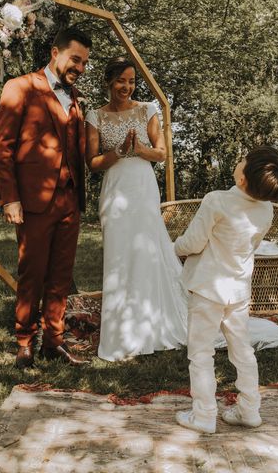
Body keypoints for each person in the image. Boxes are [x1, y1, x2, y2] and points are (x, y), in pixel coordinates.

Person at [173, 146, 278, 433]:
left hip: (207, 288)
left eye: (244, 159)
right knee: (242, 350)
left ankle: (203, 415)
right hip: (238, 289)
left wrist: (174, 247)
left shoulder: (216, 201)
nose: (239, 160)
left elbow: (193, 242)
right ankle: (249, 409)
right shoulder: (266, 210)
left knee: (201, 352)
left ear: (242, 178)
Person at [0, 28, 92, 369]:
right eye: (75, 59)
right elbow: (2, 149)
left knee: (61, 275)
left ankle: (54, 341)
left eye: (84, 63)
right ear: (55, 52)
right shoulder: (19, 87)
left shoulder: (75, 97)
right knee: (31, 273)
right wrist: (10, 198)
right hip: (33, 200)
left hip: (69, 200)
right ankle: (24, 341)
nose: (79, 67)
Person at [85, 57, 187, 361]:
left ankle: (151, 325)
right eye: (120, 81)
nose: (126, 87)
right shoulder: (95, 115)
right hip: (115, 190)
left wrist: (137, 149)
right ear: (108, 81)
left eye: (131, 81)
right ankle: (122, 332)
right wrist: (117, 151)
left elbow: (161, 153)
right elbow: (92, 163)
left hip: (142, 188)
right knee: (119, 255)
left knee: (146, 253)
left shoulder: (147, 110)